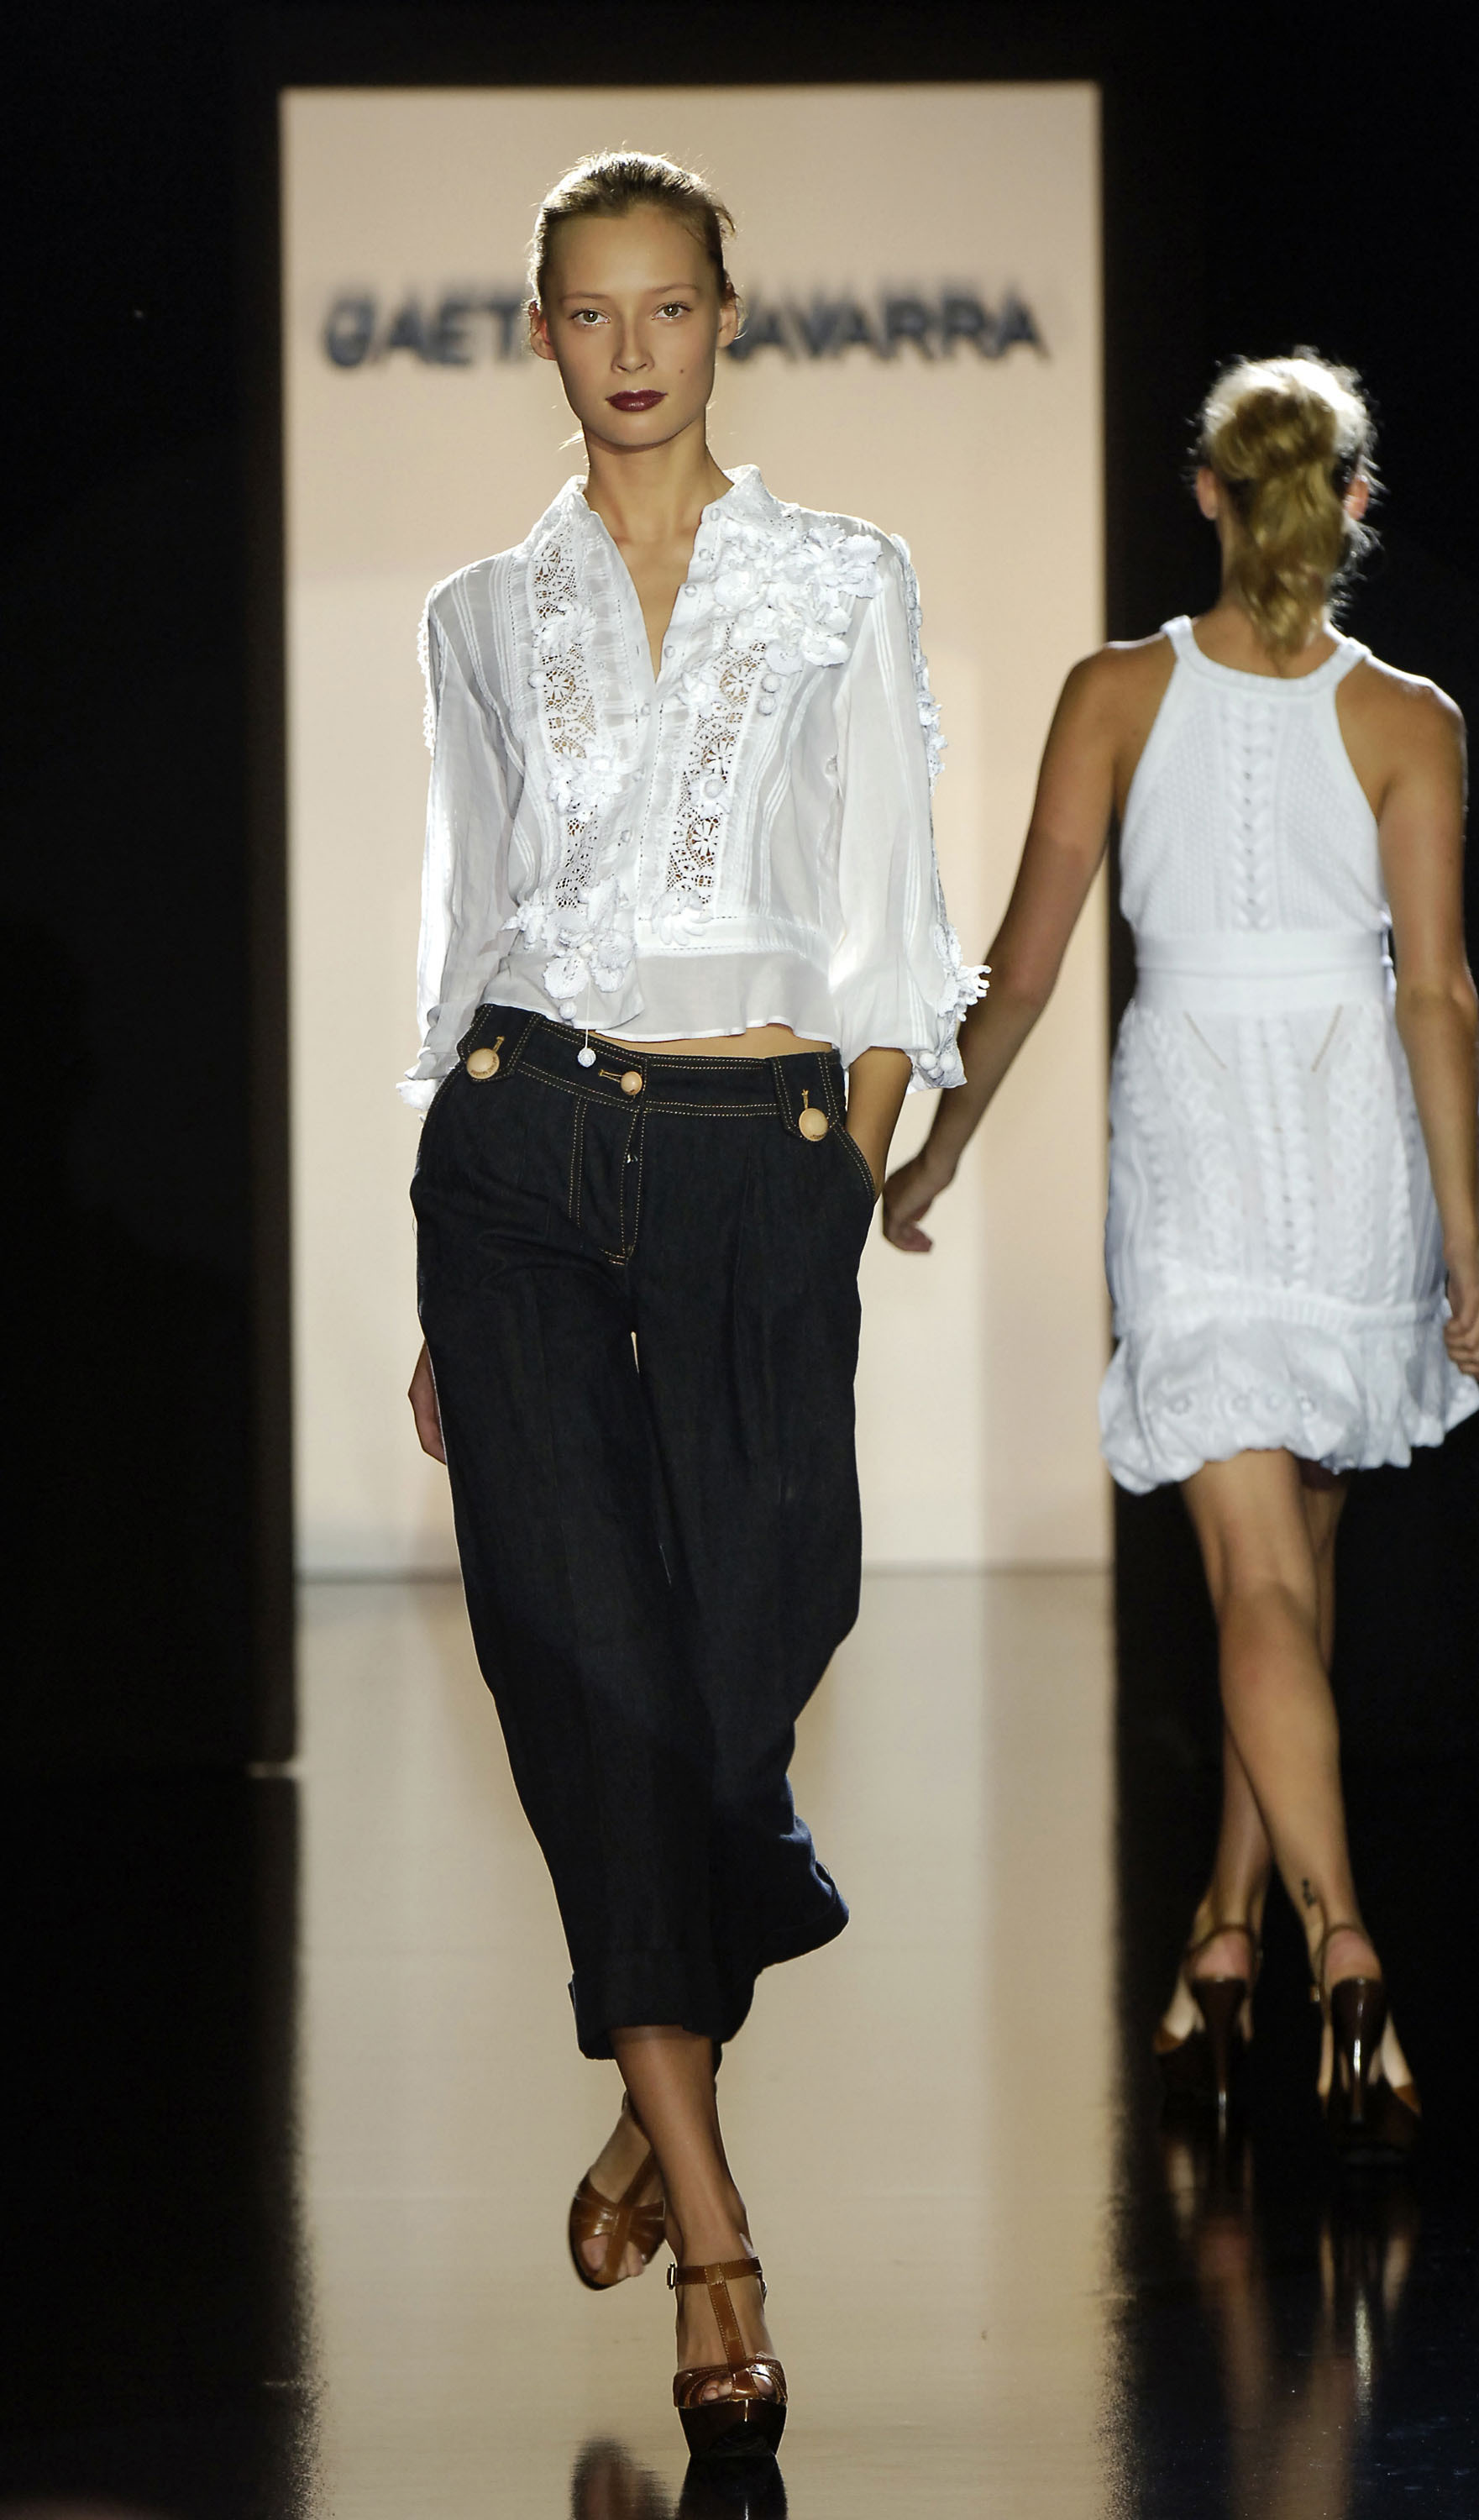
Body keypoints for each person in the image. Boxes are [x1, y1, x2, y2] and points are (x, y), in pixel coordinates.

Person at [401, 152, 978, 2454]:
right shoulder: (477, 614)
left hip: (759, 1153)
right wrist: (436, 1289)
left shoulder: (843, 580)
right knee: (587, 1678)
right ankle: (718, 2235)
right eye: (587, 310)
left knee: (754, 1643)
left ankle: (651, 2084)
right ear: (540, 330)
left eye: (666, 305)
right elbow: (465, 929)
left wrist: (835, 1171)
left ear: (726, 314)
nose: (629, 349)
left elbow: (894, 909)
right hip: (517, 1155)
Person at [884, 352, 1479, 2152]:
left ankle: (1335, 1939)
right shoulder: (1409, 720)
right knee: (1288, 1572)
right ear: (1353, 505)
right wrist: (1467, 1245)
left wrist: (937, 1147)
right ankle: (1227, 1941)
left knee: (1258, 1584)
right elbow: (1438, 997)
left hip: (1199, 1145)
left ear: (1206, 494)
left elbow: (1024, 964)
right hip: (1354, 1147)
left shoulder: (1115, 693)